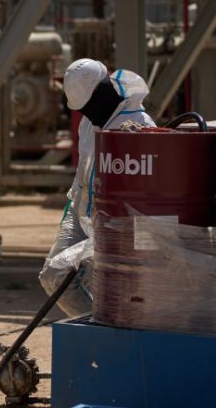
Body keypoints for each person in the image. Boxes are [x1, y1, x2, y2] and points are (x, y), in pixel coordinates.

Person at [42, 60, 155, 313]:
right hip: (81, 213)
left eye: (89, 106)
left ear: (103, 89)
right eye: (82, 109)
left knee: (111, 288)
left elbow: (148, 193)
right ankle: (97, 324)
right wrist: (70, 208)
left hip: (116, 223)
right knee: (54, 276)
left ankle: (105, 327)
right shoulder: (88, 123)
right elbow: (82, 172)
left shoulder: (139, 125)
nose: (87, 113)